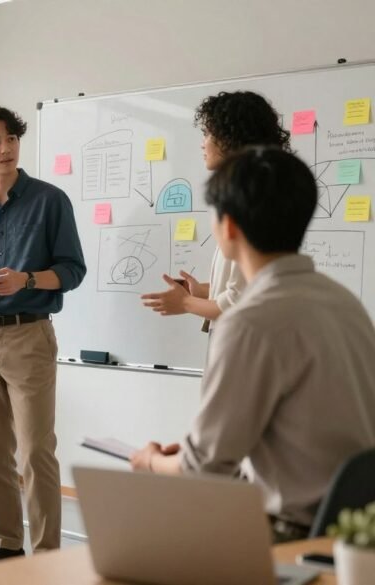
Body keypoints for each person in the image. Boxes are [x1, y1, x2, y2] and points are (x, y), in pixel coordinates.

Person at [130, 147, 375, 543]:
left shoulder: (249, 322)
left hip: (288, 535)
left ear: (228, 226)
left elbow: (202, 471)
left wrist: (152, 461)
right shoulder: (345, 303)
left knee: (140, 536)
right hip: (356, 530)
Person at [0, 104, 86, 560]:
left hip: (29, 334)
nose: (5, 149)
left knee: (35, 452)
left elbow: (72, 269)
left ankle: (46, 553)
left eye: (11, 139)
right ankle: (7, 542)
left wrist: (25, 278)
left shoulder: (50, 201)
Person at [141, 91, 291, 327]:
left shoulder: (251, 200)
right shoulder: (250, 193)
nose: (203, 143)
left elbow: (241, 301)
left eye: (208, 133)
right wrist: (203, 290)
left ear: (230, 138)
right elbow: (246, 283)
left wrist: (186, 303)